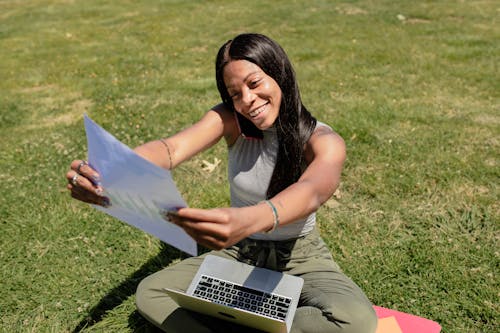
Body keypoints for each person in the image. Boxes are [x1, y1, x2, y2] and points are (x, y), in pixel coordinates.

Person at [66, 33, 377, 333]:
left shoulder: (322, 140)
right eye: (235, 94)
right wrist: (115, 171)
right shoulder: (233, 122)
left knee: (355, 321)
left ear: (279, 73)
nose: (247, 101)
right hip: (239, 255)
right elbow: (172, 149)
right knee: (152, 294)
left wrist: (250, 218)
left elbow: (313, 189)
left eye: (254, 84)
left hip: (300, 257)